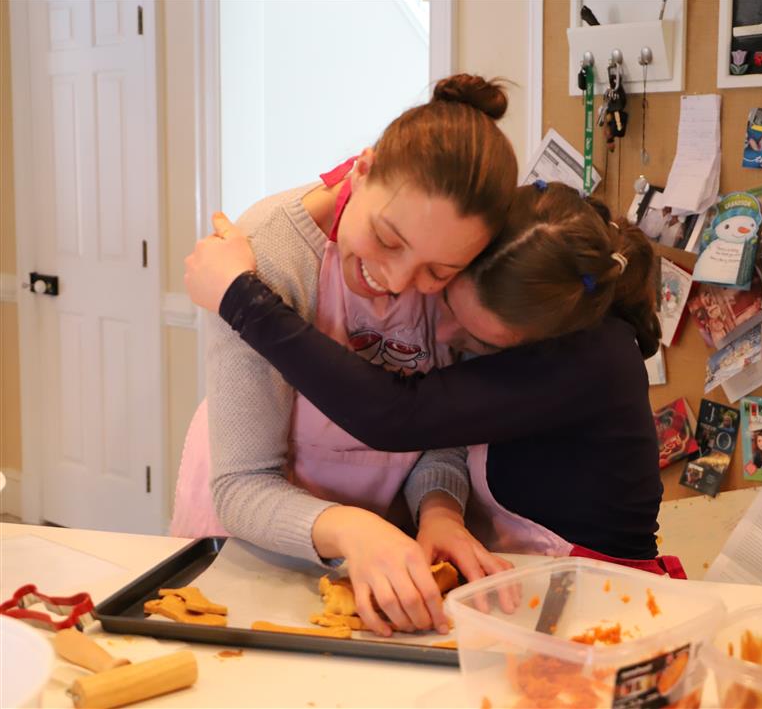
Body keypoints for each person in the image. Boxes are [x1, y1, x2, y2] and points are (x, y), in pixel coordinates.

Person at [184, 181, 687, 579]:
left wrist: (241, 298)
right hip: (524, 574)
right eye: (444, 300)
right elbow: (441, 429)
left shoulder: (589, 359)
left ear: (536, 338)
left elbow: (399, 417)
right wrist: (439, 513)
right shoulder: (286, 245)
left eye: (472, 338)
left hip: (601, 590)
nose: (442, 334)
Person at [175, 74, 519, 637]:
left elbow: (438, 432)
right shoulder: (266, 252)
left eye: (438, 272)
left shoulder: (464, 285)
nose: (397, 279)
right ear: (362, 171)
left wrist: (439, 510)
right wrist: (351, 529)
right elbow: (242, 484)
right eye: (387, 240)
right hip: (255, 534)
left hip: (380, 543)